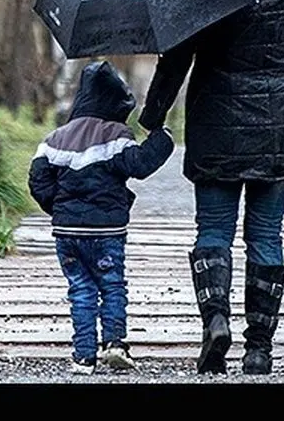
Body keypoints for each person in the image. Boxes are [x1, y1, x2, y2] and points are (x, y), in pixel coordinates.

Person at [138, 0, 284, 376]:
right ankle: (259, 349)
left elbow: (178, 57)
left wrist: (153, 115)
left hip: (218, 121)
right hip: (283, 117)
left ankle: (215, 321)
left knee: (214, 229)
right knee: (266, 232)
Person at [28, 59, 174, 375]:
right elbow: (139, 165)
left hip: (67, 232)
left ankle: (83, 357)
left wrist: (59, 207)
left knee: (80, 289)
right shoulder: (115, 135)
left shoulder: (55, 138)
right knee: (111, 285)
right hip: (106, 231)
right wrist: (163, 138)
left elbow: (38, 179)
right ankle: (114, 344)